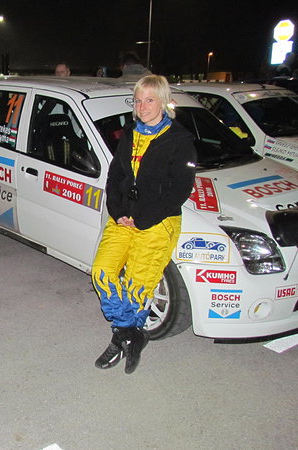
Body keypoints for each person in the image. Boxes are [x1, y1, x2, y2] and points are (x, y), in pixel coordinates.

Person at [92, 74, 196, 374]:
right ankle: (130, 334)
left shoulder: (179, 140)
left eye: (149, 100)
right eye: (138, 100)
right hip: (123, 218)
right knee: (101, 272)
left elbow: (180, 189)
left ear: (163, 101)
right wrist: (117, 211)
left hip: (158, 221)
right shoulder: (129, 134)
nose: (143, 106)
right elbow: (115, 176)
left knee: (138, 286)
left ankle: (120, 339)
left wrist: (145, 218)